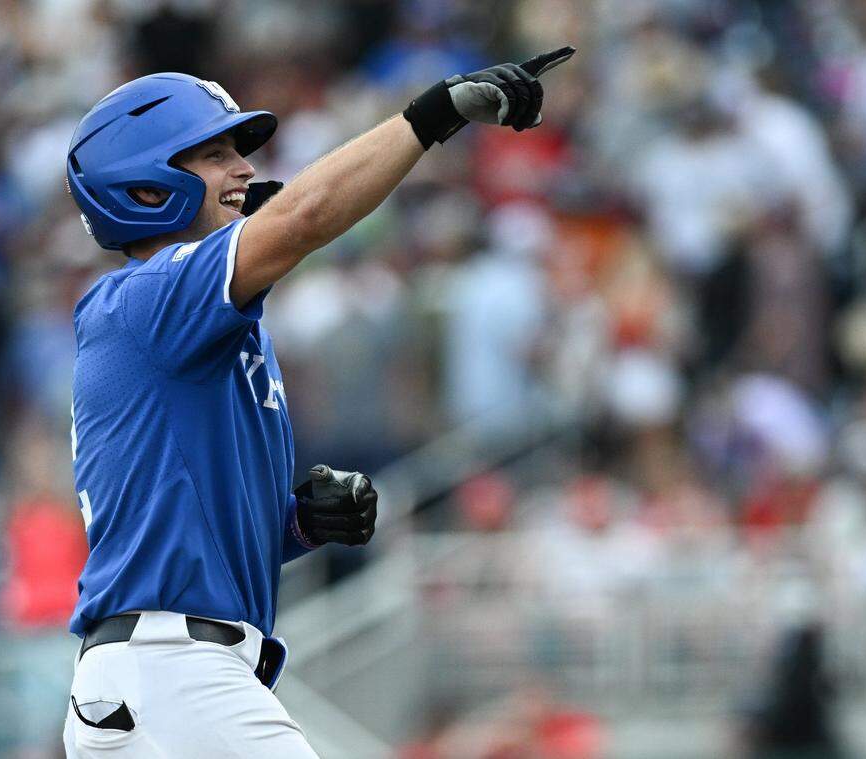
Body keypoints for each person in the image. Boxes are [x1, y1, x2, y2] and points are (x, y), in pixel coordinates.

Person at [63, 48, 574, 757]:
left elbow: (188, 530)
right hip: (171, 673)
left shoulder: (184, 321)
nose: (244, 168)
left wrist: (298, 524)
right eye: (214, 155)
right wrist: (432, 116)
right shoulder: (150, 297)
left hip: (164, 677)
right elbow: (304, 216)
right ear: (145, 191)